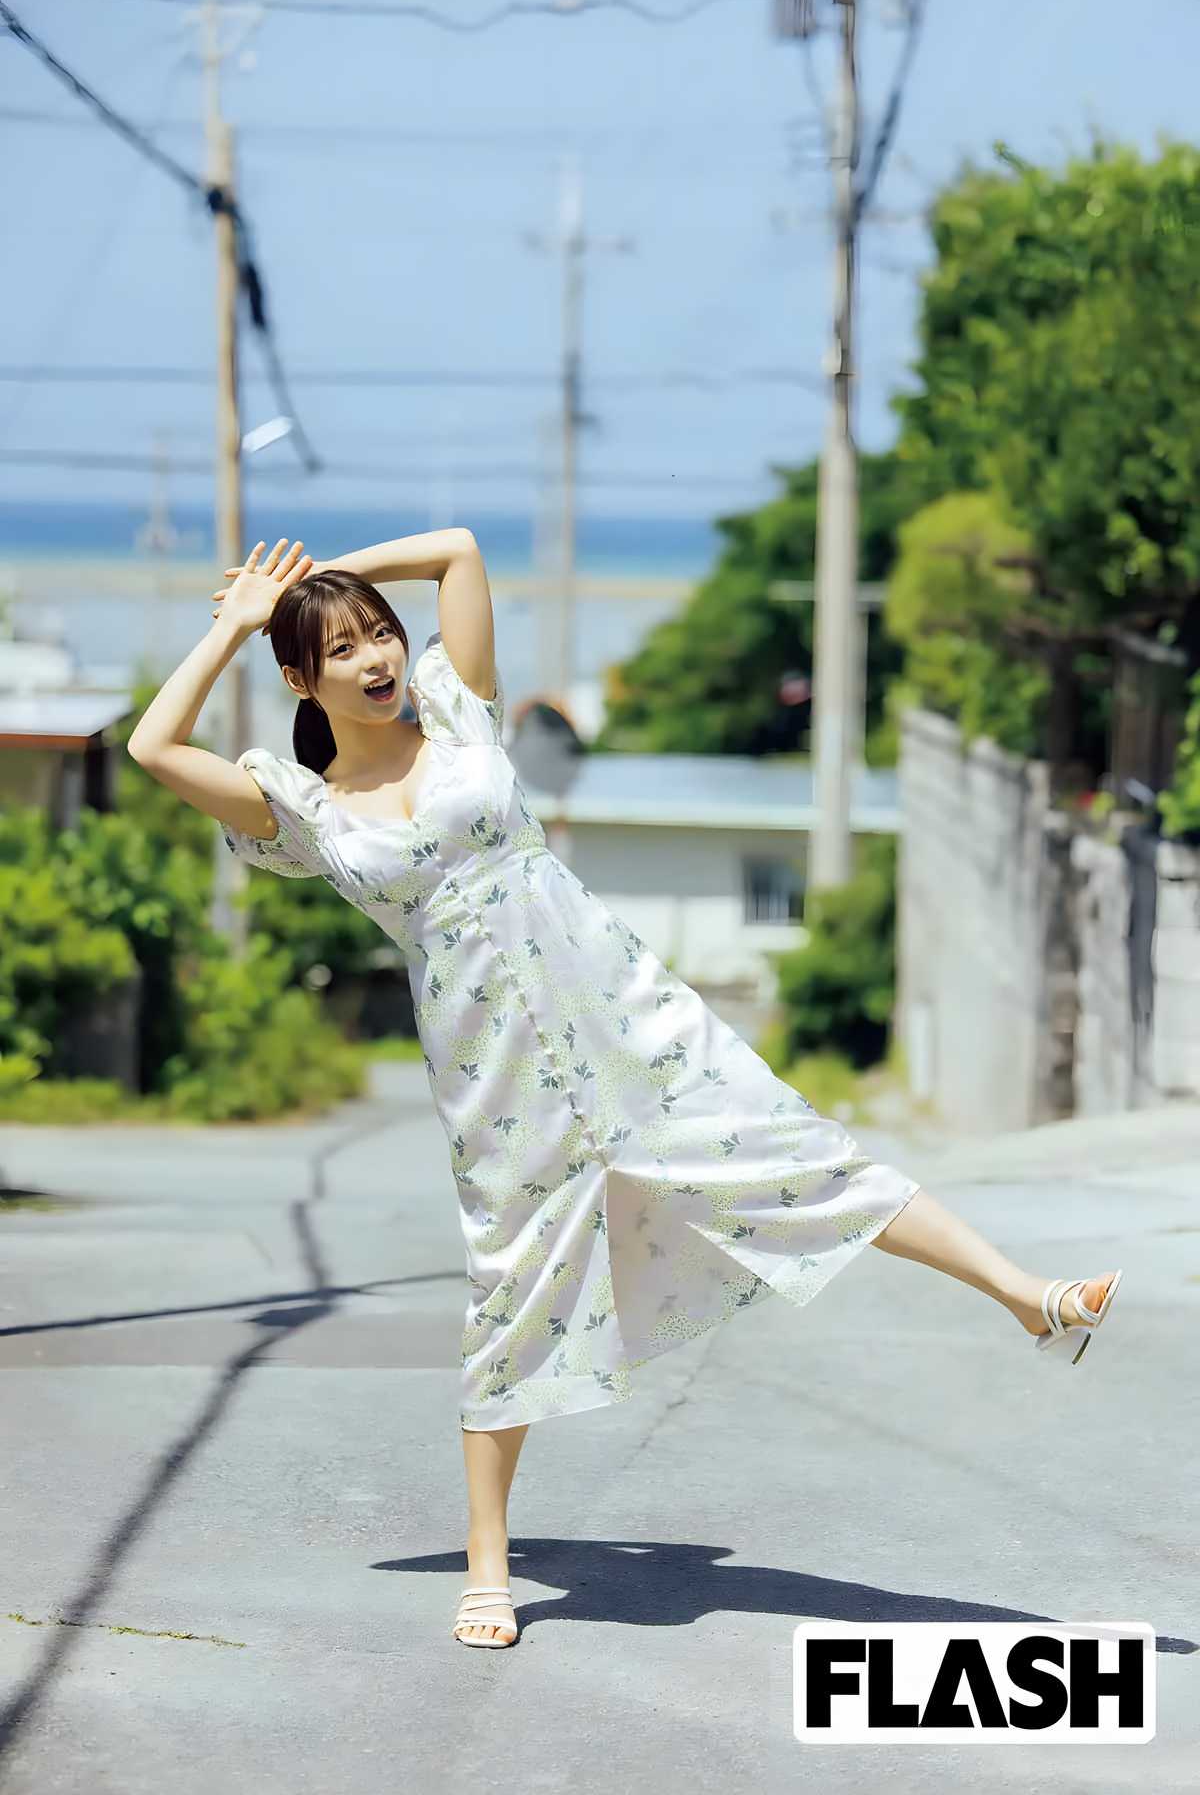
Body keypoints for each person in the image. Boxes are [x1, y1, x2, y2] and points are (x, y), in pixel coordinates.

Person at [128, 530, 1123, 1650]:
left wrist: (316, 579)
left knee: (803, 1157)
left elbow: (457, 552)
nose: (377, 657)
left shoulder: (460, 714)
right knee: (514, 1296)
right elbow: (152, 746)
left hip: (627, 1018)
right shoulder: (304, 809)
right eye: (344, 648)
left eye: (381, 634)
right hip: (496, 1074)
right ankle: (490, 1566)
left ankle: (1028, 1296)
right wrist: (244, 617)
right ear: (300, 679)